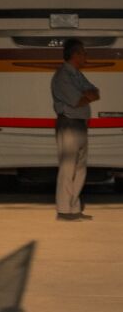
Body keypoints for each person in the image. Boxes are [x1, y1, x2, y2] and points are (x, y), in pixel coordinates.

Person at [51, 38, 100, 221]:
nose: (86, 56)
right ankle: (64, 210)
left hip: (80, 123)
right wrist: (86, 95)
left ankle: (73, 208)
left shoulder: (77, 74)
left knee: (79, 169)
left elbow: (95, 92)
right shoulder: (62, 76)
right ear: (75, 54)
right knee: (68, 168)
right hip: (69, 123)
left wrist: (87, 95)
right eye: (83, 53)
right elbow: (77, 100)